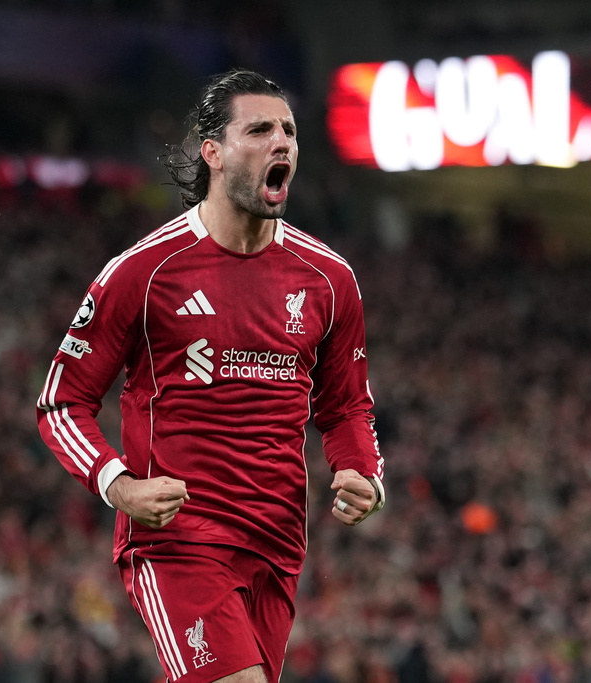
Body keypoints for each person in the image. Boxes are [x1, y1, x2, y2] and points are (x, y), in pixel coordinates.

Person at [36, 69, 385, 683]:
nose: (282, 142)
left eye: (289, 131)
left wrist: (362, 470)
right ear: (214, 153)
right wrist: (120, 486)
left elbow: (346, 405)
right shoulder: (143, 273)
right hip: (178, 540)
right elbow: (61, 404)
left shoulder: (329, 280)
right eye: (259, 130)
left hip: (277, 543)